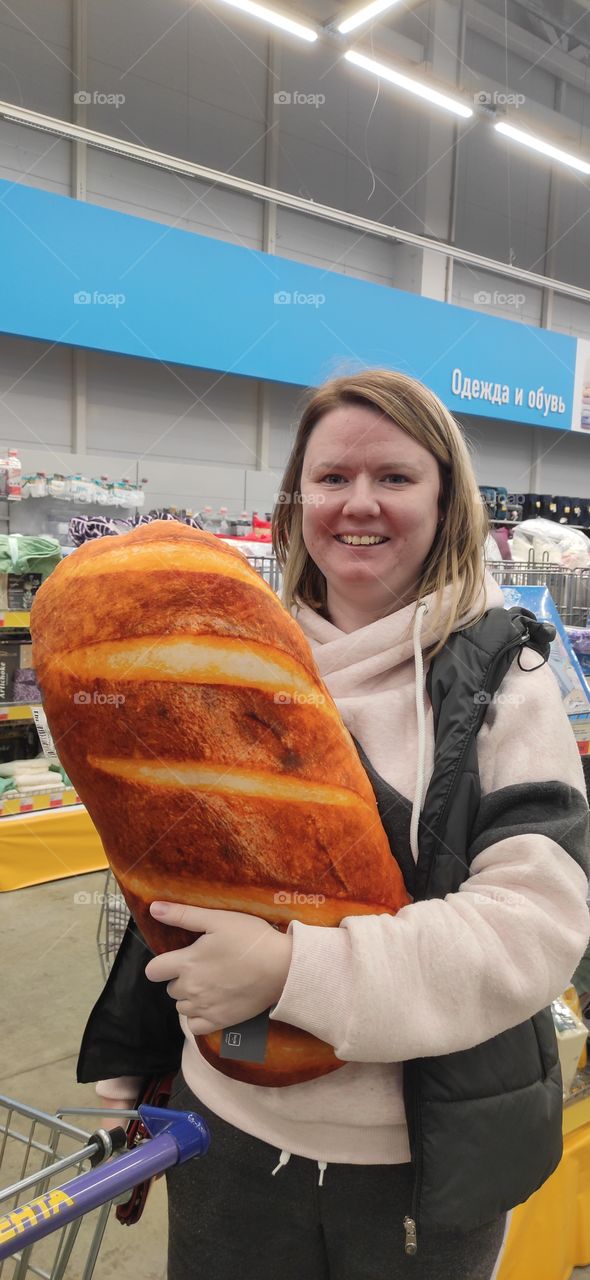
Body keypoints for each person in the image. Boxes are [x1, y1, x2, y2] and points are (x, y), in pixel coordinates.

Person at [84, 369, 590, 1280]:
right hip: (224, 1135)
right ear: (297, 499)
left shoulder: (503, 682)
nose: (360, 504)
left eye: (395, 477)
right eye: (332, 478)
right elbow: (177, 871)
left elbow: (533, 928)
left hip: (413, 1170)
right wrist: (136, 1060)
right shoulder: (216, 656)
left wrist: (291, 970)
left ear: (447, 501)